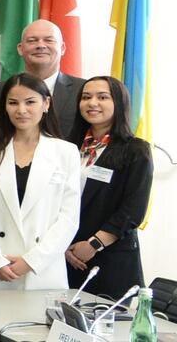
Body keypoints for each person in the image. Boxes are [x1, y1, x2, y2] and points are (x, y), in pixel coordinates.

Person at [0, 74, 80, 291]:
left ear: (46, 104)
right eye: (13, 103)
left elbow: (69, 218)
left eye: (30, 102)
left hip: (41, 270)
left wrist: (31, 261)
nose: (21, 110)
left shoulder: (65, 152)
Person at [65, 76, 151, 300]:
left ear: (119, 103)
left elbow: (133, 209)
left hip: (110, 260)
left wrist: (94, 244)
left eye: (102, 97)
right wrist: (62, 245)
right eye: (86, 97)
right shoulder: (68, 147)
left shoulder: (135, 150)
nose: (92, 103)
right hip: (66, 256)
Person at [0, 20, 84, 135]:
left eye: (49, 40)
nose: (40, 46)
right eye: (32, 41)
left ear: (63, 48)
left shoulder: (83, 91)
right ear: (20, 48)